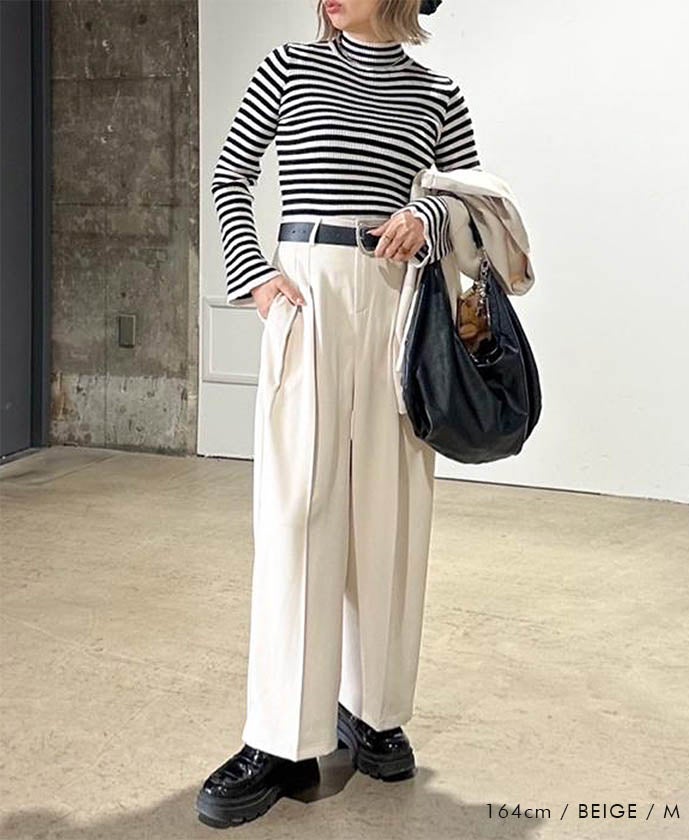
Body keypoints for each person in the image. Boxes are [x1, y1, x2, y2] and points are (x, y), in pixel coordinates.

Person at [197, 0, 481, 827]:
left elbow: (475, 208)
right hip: (308, 292)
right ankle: (280, 738)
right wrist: (254, 275)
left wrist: (427, 214)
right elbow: (230, 175)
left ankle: (375, 710)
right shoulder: (289, 67)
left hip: (399, 301)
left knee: (392, 511)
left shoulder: (439, 93)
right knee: (298, 509)